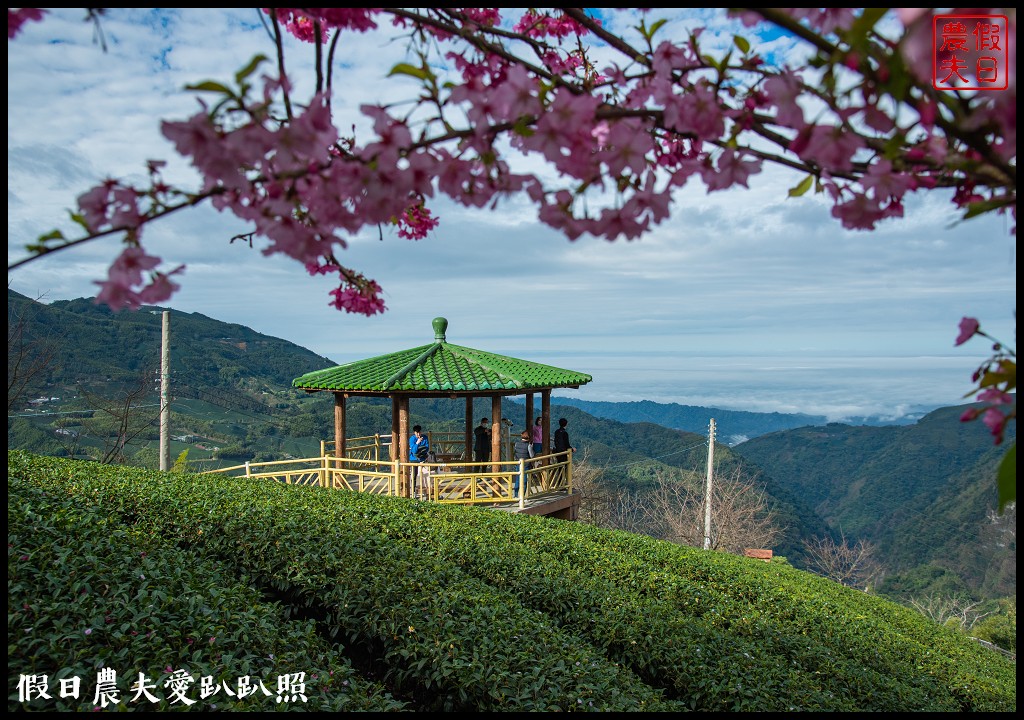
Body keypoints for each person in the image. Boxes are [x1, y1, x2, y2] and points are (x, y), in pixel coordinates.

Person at [408, 425, 430, 497]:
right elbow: (414, 450)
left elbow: (426, 448)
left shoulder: (425, 438)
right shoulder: (412, 439)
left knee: (428, 473)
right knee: (414, 475)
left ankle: (428, 490)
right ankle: (413, 491)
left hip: (423, 458)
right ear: (414, 432)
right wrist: (417, 443)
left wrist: (419, 449)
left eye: (419, 432)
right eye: (417, 433)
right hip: (414, 459)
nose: (418, 434)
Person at [512, 429, 535, 497]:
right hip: (525, 464)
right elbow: (532, 455)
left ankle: (515, 495)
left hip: (518, 463)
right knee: (524, 481)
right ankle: (522, 496)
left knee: (517, 479)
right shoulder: (529, 445)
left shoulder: (516, 444)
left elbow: (515, 453)